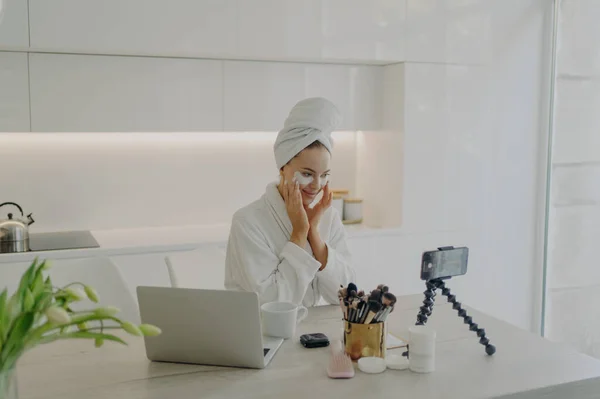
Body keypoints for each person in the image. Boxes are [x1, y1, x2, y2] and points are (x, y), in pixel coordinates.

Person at [224, 97, 355, 307]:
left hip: (311, 332)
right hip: (260, 335)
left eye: (325, 175)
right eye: (307, 173)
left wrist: (314, 235)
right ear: (283, 168)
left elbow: (346, 296)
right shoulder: (248, 221)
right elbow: (273, 304)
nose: (317, 185)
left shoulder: (328, 216)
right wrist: (299, 233)